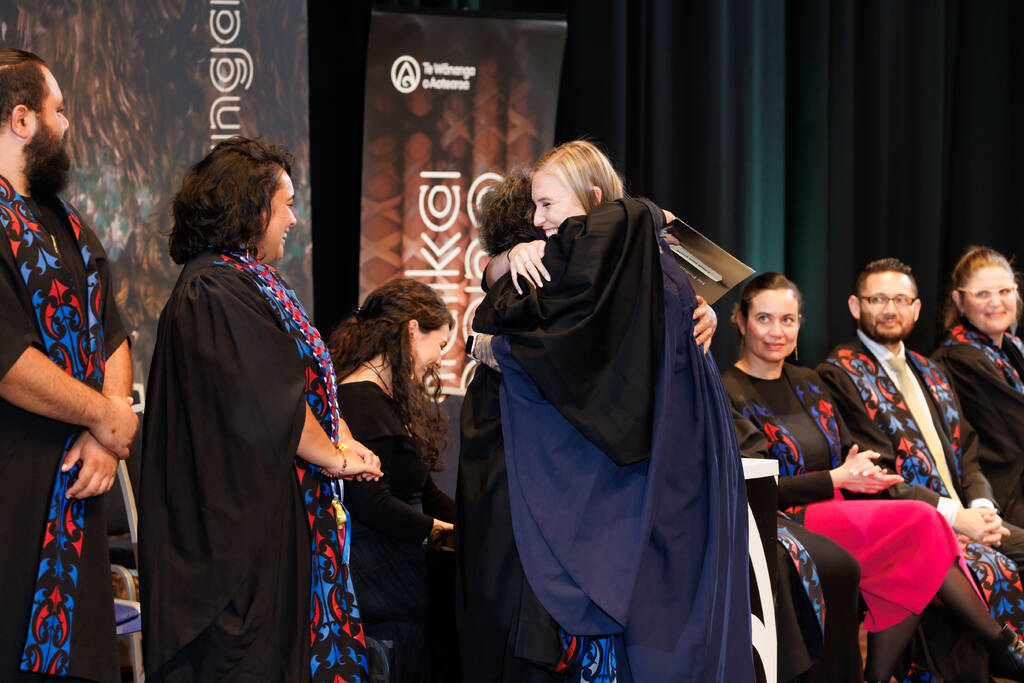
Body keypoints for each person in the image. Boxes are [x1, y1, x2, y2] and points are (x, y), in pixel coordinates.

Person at [459, 141, 751, 682]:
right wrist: (506, 263)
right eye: (533, 210)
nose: (539, 221)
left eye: (548, 207)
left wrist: (492, 344)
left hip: (653, 473)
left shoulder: (631, 263)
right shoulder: (569, 264)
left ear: (595, 200)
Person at [140, 137, 382, 682]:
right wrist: (335, 458)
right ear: (250, 209)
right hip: (236, 542)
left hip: (273, 515)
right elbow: (268, 399)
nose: (294, 219)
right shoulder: (215, 288)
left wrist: (342, 440)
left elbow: (306, 382)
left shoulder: (249, 280)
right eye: (286, 203)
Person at [725, 272, 1024, 682]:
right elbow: (757, 485)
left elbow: (852, 455)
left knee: (924, 535)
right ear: (740, 321)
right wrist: (835, 479)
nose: (777, 332)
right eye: (764, 319)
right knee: (924, 524)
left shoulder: (808, 380)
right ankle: (999, 644)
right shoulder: (728, 390)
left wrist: (863, 475)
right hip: (790, 518)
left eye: (788, 320)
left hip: (843, 505)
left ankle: (883, 676)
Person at [0, 48, 137, 683]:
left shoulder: (69, 222)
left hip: (79, 495)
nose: (69, 122)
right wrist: (106, 416)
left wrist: (104, 437)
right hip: (14, 498)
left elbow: (112, 336)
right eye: (59, 109)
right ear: (21, 119)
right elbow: (9, 362)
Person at [328, 277, 456, 682]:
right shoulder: (360, 401)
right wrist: (444, 535)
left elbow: (422, 490)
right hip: (380, 590)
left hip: (400, 586)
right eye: (440, 346)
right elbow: (372, 503)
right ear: (413, 330)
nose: (439, 360)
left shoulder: (380, 399)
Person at [933, 246, 1024, 526]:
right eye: (982, 294)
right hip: (1000, 491)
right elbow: (1016, 431)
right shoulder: (960, 358)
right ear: (959, 301)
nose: (996, 302)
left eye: (1005, 291)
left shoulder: (1012, 347)